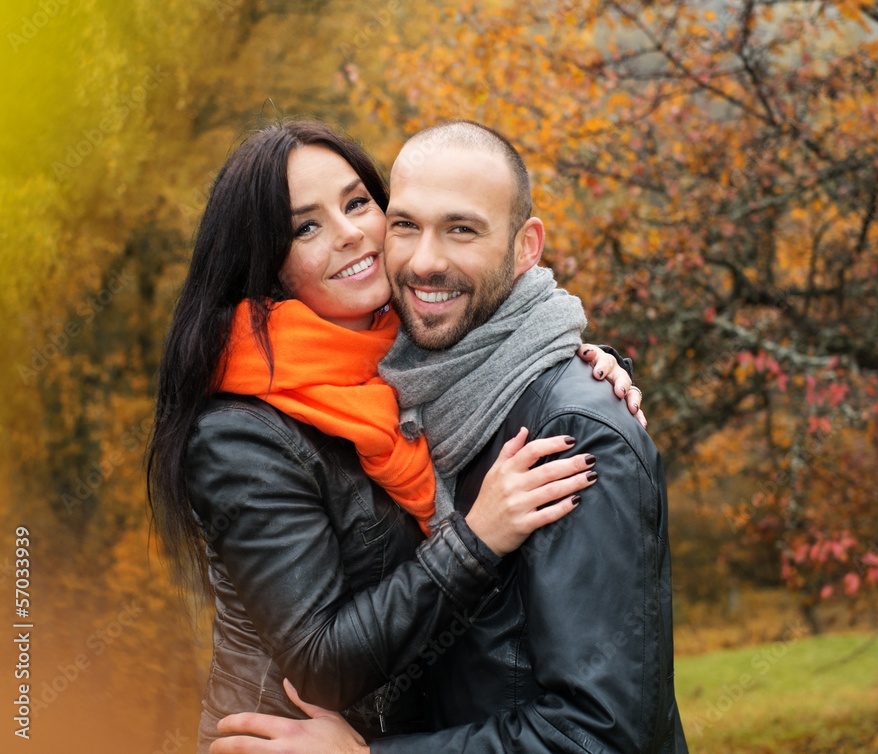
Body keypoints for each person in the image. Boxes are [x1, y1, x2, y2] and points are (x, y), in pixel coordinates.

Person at [145, 121, 642, 752]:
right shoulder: (241, 433)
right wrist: (477, 538)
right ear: (269, 267)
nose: (349, 232)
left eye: (357, 203)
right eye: (306, 227)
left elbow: (492, 345)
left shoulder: (395, 361)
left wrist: (580, 373)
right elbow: (319, 662)